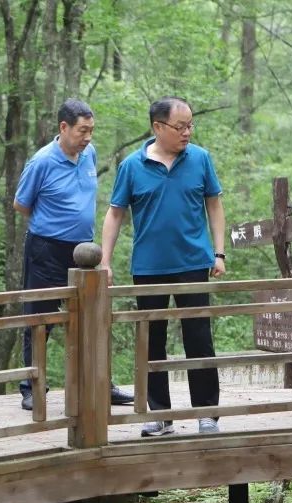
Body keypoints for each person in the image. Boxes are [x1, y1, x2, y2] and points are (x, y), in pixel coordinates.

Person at [99, 96, 226, 437]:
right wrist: (105, 261)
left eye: (190, 125)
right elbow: (115, 213)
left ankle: (207, 413)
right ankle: (159, 414)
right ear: (158, 127)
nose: (187, 132)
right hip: (149, 267)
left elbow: (214, 205)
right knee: (151, 340)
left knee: (198, 338)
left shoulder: (200, 159)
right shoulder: (132, 166)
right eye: (180, 126)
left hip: (193, 262)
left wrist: (219, 253)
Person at [12, 98, 134, 411]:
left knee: (93, 317)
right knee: (40, 318)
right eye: (82, 130)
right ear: (63, 127)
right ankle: (32, 387)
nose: (88, 137)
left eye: (91, 130)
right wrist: (52, 222)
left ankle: (100, 384)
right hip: (46, 248)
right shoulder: (42, 162)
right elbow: (21, 204)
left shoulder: (89, 153)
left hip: (85, 251)